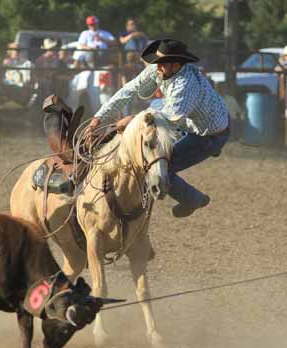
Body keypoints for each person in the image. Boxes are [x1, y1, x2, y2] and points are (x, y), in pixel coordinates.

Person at [87, 39, 229, 218]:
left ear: (176, 65)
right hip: (191, 121)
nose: (157, 67)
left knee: (162, 168)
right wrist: (99, 117)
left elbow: (169, 119)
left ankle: (193, 199)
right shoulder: (161, 70)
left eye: (162, 64)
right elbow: (130, 89)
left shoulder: (186, 84)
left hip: (208, 135)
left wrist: (131, 120)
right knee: (155, 109)